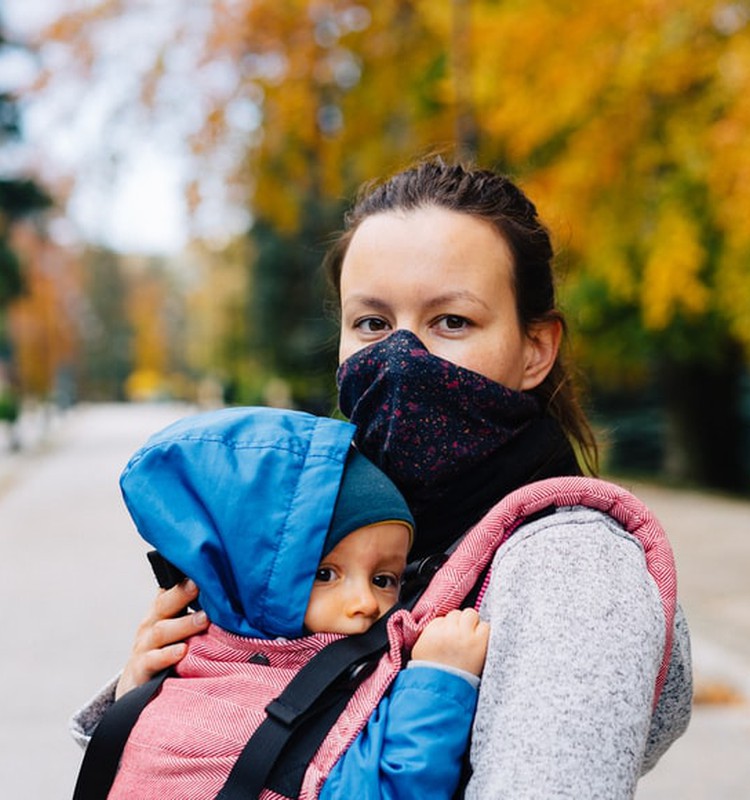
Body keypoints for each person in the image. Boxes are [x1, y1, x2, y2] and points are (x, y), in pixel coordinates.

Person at [72, 158, 692, 799]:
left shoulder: (571, 568)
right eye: (371, 323)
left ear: (536, 348)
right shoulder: (333, 521)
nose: (400, 358)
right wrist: (158, 696)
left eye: (451, 321)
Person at [102, 406, 488, 799]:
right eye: (324, 574)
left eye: (383, 579)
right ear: (249, 577)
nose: (366, 603)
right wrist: (439, 681)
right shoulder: (207, 705)